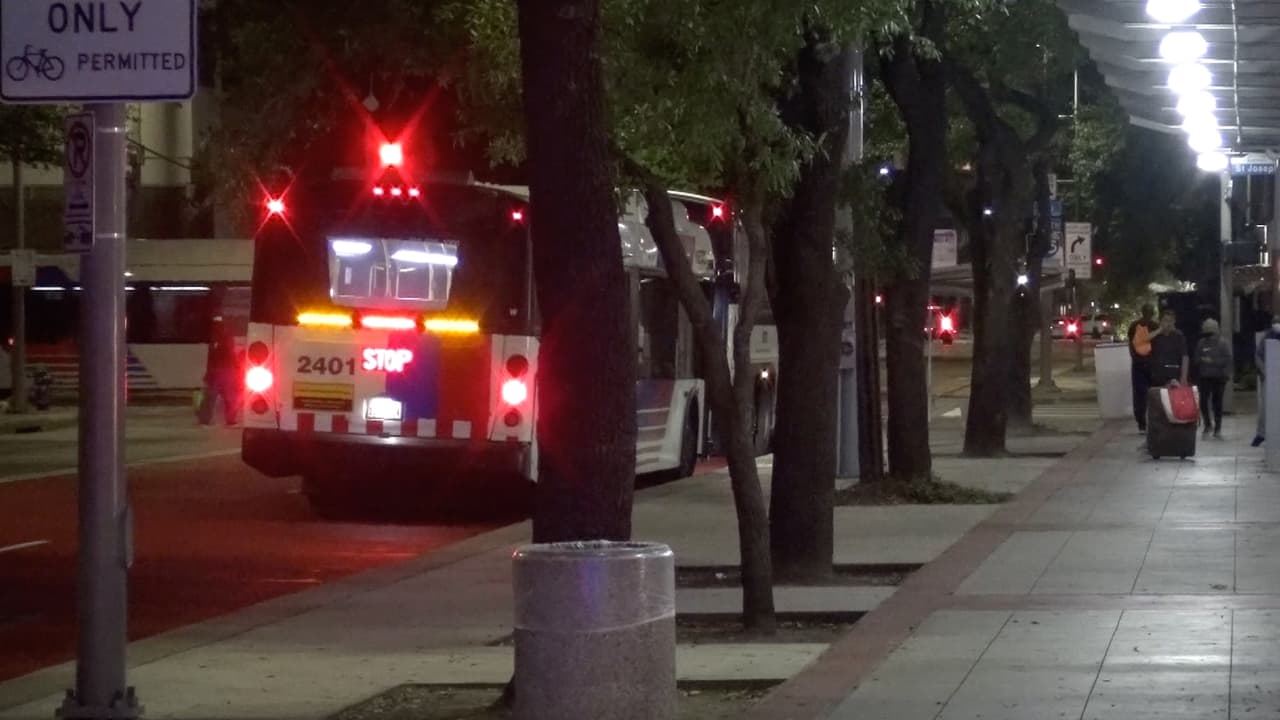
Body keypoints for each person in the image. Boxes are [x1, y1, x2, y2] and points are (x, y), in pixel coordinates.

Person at [197, 315, 241, 426]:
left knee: (212, 396)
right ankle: (230, 419)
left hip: (219, 372)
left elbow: (212, 358)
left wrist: (209, 372)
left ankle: (205, 419)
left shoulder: (215, 338)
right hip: (225, 371)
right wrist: (237, 367)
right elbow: (231, 354)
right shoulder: (225, 337)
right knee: (229, 397)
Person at [1194, 318, 1231, 439]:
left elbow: (1228, 360)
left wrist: (1214, 362)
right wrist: (1202, 360)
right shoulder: (1201, 343)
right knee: (1203, 401)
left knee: (1217, 402)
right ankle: (1207, 424)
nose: (1210, 337)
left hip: (1219, 377)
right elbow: (1196, 358)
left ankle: (1218, 427)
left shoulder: (1223, 344)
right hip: (1205, 377)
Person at [1128, 304, 1159, 432]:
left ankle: (1141, 422)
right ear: (1152, 313)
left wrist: (1134, 358)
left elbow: (1130, 344)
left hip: (1138, 364)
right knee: (1154, 393)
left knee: (1139, 394)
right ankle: (1154, 420)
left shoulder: (1134, 326)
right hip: (1152, 364)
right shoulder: (1155, 326)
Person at [1253, 319, 1280, 446]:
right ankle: (1262, 433)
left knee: (1267, 407)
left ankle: (1262, 433)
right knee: (1266, 408)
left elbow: (1258, 356)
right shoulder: (1267, 338)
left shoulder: (1267, 336)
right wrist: (1266, 372)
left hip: (1270, 377)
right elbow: (1258, 356)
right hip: (1269, 378)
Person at [1148, 308, 1189, 389]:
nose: (1168, 323)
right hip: (1157, 376)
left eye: (1171, 321)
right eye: (1165, 320)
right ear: (1160, 321)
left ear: (1174, 322)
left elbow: (1185, 356)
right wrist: (1159, 330)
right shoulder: (1155, 335)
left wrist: (1184, 377)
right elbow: (1143, 340)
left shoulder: (1179, 335)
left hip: (1174, 376)